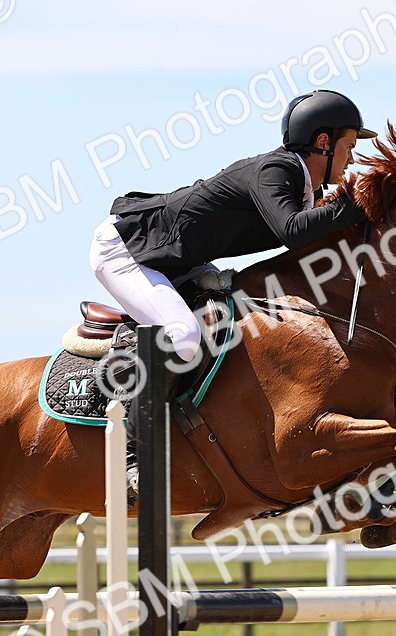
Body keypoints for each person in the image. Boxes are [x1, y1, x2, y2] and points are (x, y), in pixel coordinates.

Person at [88, 89, 378, 482]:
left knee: (238, 314)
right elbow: (293, 232)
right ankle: (132, 454)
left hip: (181, 260)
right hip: (127, 252)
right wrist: (362, 199)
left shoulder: (309, 190)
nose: (352, 159)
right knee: (185, 336)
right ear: (323, 143)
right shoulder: (277, 171)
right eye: (348, 146)